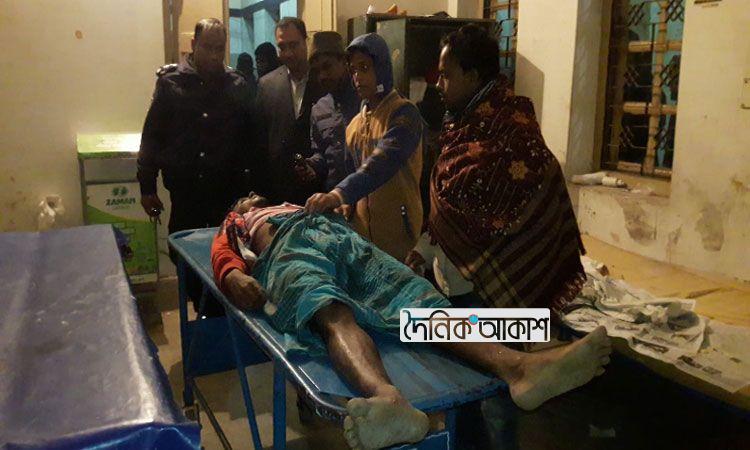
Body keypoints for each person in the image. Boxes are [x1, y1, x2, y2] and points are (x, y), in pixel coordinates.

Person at [210, 193, 612, 450]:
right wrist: (232, 275)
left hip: (341, 239)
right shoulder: (240, 221)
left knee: (412, 294)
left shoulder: (294, 203)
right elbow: (221, 252)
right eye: (246, 198)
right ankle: (388, 399)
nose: (253, 196)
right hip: (289, 251)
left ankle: (519, 368)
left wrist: (331, 207)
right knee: (327, 307)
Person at [406, 24, 587, 312]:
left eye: (446, 75)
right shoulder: (461, 126)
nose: (438, 84)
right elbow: (451, 210)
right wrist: (424, 250)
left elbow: (526, 216)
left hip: (494, 293)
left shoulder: (513, 134)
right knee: (425, 328)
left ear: (472, 76)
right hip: (452, 285)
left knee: (430, 331)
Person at [137, 17, 256, 250]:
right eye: (207, 47)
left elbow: (248, 141)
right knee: (184, 255)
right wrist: (147, 187)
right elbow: (152, 137)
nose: (214, 56)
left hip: (226, 195)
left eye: (219, 49)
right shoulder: (171, 83)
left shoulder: (237, 85)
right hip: (185, 195)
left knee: (228, 256)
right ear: (193, 44)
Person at [304, 33, 424, 262]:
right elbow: (352, 173)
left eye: (365, 68)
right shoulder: (354, 125)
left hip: (400, 240)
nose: (358, 77)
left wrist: (337, 195)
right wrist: (346, 206)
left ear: (382, 67)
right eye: (353, 70)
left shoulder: (404, 113)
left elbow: (381, 164)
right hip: (362, 241)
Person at [254, 18, 324, 205]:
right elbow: (260, 143)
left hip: (319, 191)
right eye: (282, 47)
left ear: (306, 41)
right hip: (278, 193)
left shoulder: (324, 80)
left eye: (294, 45)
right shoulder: (266, 85)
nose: (288, 53)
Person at [300, 31, 361, 192]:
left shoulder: (365, 100)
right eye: (317, 71)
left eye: (327, 67)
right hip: (334, 199)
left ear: (344, 61)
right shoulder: (319, 109)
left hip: (368, 198)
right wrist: (311, 166)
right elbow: (321, 154)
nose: (322, 76)